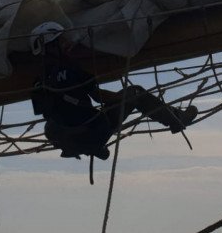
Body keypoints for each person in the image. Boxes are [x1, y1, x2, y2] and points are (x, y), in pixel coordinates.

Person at [29, 22, 196, 159]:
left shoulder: (39, 82)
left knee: (81, 119)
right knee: (135, 92)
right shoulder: (70, 70)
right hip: (90, 131)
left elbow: (46, 111)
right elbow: (100, 97)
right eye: (61, 41)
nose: (67, 45)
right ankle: (177, 120)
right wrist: (123, 99)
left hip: (65, 139)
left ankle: (92, 147)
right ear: (50, 47)